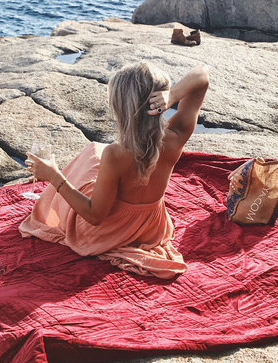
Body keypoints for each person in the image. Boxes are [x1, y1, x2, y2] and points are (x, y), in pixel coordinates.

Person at [19, 62, 209, 279]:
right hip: (150, 231)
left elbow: (94, 216)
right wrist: (173, 95)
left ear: (122, 107)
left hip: (105, 234)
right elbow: (202, 75)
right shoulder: (176, 135)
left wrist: (53, 175)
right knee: (96, 153)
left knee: (92, 152)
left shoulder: (116, 154)